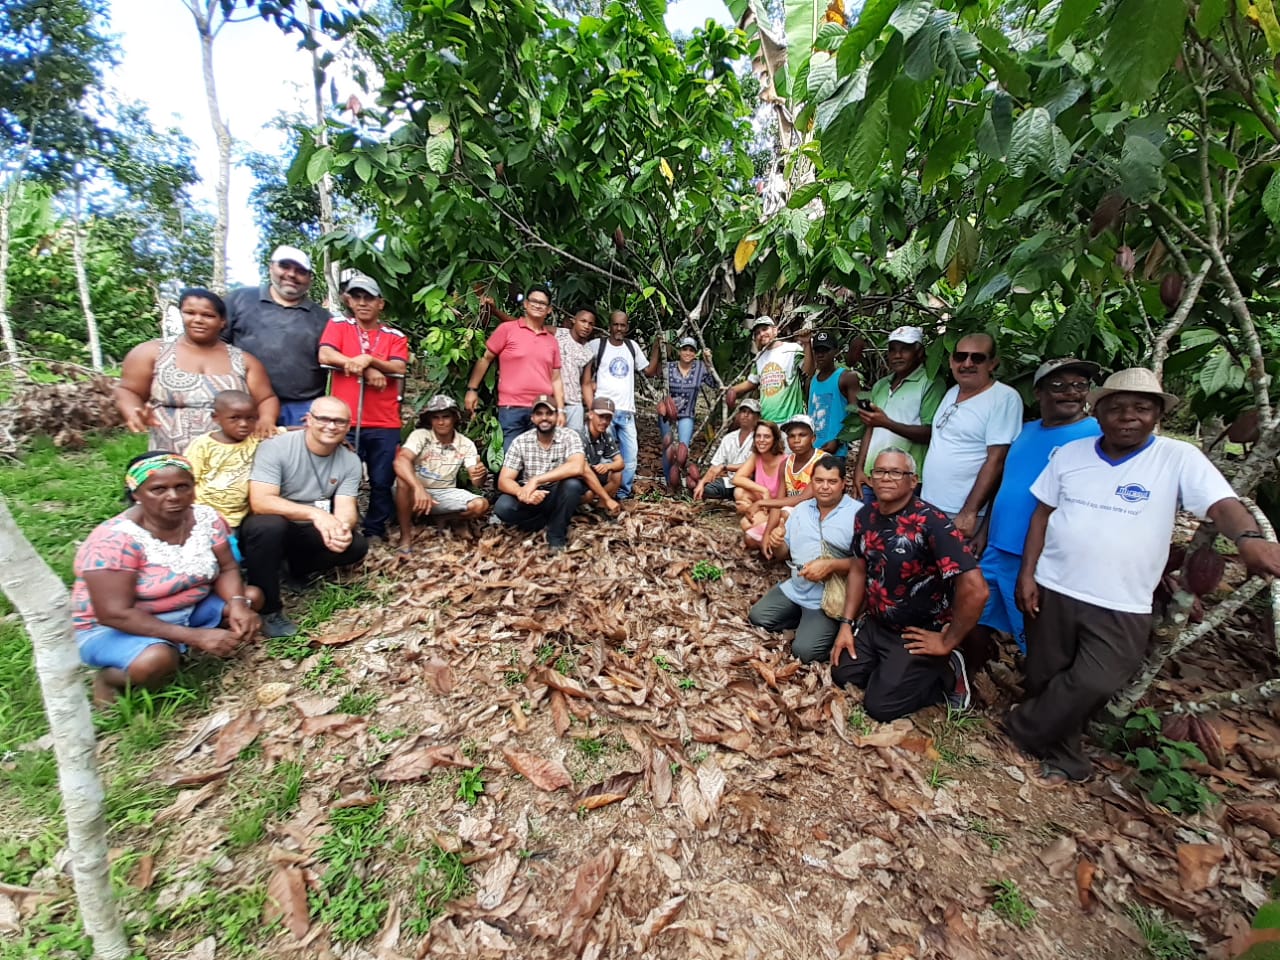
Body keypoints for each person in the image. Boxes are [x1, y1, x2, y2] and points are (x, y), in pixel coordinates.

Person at [1006, 368, 1280, 787]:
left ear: (1157, 416)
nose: (1127, 417)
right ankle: (1066, 757)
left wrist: (1247, 539)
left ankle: (1022, 726)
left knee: (1096, 680)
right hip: (1054, 584)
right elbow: (1042, 514)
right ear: (1097, 413)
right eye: (1115, 408)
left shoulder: (1177, 458)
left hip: (1123, 600)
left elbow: (1221, 503)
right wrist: (1028, 574)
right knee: (1045, 673)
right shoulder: (1071, 454)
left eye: (1141, 408)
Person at [71, 453, 263, 704]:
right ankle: (111, 678)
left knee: (251, 598)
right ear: (136, 494)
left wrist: (237, 605)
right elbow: (114, 614)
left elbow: (227, 568)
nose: (173, 496)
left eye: (182, 486)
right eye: (158, 489)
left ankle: (185, 645)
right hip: (117, 627)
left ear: (193, 489)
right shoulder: (114, 541)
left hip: (187, 608)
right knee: (156, 661)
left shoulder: (206, 519)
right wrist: (195, 637)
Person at [830, 448, 988, 720]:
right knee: (843, 674)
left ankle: (947, 669)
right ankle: (896, 671)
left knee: (880, 707)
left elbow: (977, 589)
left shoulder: (932, 523)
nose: (886, 478)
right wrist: (847, 623)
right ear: (870, 478)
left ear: (913, 481)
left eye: (896, 472)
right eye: (880, 471)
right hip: (877, 624)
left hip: (917, 632)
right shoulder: (865, 516)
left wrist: (948, 640)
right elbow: (858, 567)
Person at [970, 359, 1101, 658]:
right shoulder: (1026, 431)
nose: (1071, 392)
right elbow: (1006, 485)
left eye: (1080, 386)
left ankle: (1042, 693)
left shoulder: (1095, 435)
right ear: (1038, 393)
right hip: (997, 548)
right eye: (1058, 386)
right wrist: (984, 529)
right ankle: (975, 678)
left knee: (1034, 631)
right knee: (974, 613)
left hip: (1041, 557)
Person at [242, 397, 369, 637]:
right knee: (267, 527)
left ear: (348, 426)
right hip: (276, 521)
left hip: (309, 528)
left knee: (354, 544)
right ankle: (269, 609)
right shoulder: (277, 447)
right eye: (324, 419)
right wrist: (316, 513)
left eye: (339, 421)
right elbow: (261, 501)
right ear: (308, 420)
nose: (331, 426)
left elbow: (346, 506)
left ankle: (295, 570)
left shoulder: (350, 461)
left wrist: (341, 527)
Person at [116, 288, 279, 452]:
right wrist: (133, 412)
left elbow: (266, 398)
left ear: (222, 321)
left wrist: (266, 419)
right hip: (169, 453)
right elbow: (128, 390)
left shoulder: (244, 361)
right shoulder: (151, 352)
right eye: (190, 313)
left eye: (208, 315)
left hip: (228, 456)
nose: (198, 320)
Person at [317, 274, 410, 541]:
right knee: (340, 477)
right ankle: (341, 527)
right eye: (357, 297)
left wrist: (369, 360)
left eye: (369, 297)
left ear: (380, 303)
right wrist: (361, 366)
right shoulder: (338, 326)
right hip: (344, 420)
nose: (362, 302)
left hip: (384, 421)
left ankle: (375, 529)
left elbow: (399, 367)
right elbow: (325, 355)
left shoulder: (394, 336)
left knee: (381, 480)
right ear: (348, 300)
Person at [748, 456, 860, 663]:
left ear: (844, 483)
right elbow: (784, 554)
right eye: (819, 481)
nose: (825, 487)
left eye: (832, 481)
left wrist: (831, 565)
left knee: (804, 652)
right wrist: (777, 542)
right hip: (797, 587)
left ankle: (820, 627)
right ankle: (804, 622)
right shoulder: (801, 510)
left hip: (827, 597)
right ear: (811, 482)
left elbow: (868, 565)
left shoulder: (858, 515)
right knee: (758, 617)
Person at [920, 333, 1024, 537]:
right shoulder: (952, 392)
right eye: (961, 357)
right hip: (930, 503)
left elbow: (997, 460)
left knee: (956, 568)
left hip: (960, 513)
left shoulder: (1003, 398)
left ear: (992, 363)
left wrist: (970, 512)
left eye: (977, 358)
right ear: (951, 361)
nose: (967, 363)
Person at [223, 245, 335, 426]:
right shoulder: (239, 300)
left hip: (302, 408)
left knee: (297, 454)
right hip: (245, 403)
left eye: (300, 271)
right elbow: (215, 346)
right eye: (285, 266)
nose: (291, 274)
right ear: (271, 268)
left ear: (309, 279)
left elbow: (338, 358)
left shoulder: (323, 318)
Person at [184, 390, 284, 559]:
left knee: (232, 556)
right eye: (235, 418)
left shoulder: (256, 437)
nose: (244, 424)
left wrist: (324, 434)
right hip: (206, 514)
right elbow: (187, 479)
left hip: (238, 517)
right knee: (207, 555)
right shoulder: (203, 445)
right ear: (216, 418)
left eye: (251, 418)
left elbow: (288, 432)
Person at [465, 284, 566, 452]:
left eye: (542, 303)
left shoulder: (551, 341)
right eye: (533, 301)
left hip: (542, 410)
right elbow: (485, 359)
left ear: (549, 310)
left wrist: (560, 410)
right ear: (525, 304)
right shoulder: (507, 330)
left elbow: (555, 378)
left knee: (538, 463)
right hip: (512, 408)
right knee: (510, 460)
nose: (537, 305)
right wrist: (472, 389)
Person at [851, 326, 946, 502]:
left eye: (905, 350)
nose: (897, 355)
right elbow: (870, 430)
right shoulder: (881, 385)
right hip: (873, 475)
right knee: (866, 527)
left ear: (919, 352)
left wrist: (886, 423)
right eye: (893, 350)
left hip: (905, 477)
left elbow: (931, 433)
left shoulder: (930, 383)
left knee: (899, 528)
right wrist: (860, 469)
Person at [394, 395, 489, 554]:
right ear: (430, 420)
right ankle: (405, 536)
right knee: (403, 481)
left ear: (454, 418)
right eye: (436, 417)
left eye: (446, 417)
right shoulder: (421, 436)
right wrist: (418, 488)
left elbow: (477, 481)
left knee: (480, 505)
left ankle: (445, 518)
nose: (441, 422)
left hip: (442, 493)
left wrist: (480, 474)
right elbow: (400, 461)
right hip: (412, 491)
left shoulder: (465, 444)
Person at [493, 395, 587, 552]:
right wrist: (521, 492)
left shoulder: (569, 436)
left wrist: (536, 480)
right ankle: (540, 522)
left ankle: (556, 534)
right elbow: (504, 480)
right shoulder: (521, 441)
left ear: (557, 416)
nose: (544, 418)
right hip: (530, 495)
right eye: (539, 414)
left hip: (556, 491)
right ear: (533, 418)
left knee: (573, 485)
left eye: (549, 413)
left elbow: (577, 466)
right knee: (503, 507)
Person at [582, 310, 660, 498]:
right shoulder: (596, 345)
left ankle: (622, 494)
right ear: (610, 326)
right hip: (603, 412)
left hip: (626, 412)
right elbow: (580, 363)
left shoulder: (631, 347)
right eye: (615, 324)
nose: (618, 328)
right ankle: (601, 493)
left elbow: (648, 370)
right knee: (604, 457)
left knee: (630, 457)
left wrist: (657, 348)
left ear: (627, 327)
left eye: (622, 325)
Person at [754, 414, 825, 553]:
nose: (796, 440)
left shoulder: (822, 461)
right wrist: (767, 533)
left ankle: (789, 551)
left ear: (813, 438)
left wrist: (762, 503)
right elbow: (780, 501)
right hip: (789, 515)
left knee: (785, 515)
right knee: (751, 538)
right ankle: (778, 545)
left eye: (802, 435)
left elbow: (802, 499)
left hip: (818, 517)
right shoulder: (786, 464)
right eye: (791, 436)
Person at [660, 336, 718, 492]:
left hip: (687, 414)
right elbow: (656, 382)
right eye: (684, 349)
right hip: (667, 415)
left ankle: (679, 481)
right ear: (679, 351)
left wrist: (709, 362)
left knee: (682, 451)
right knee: (668, 448)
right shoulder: (669, 367)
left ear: (695, 353)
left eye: (691, 350)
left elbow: (715, 384)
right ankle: (669, 484)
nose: (687, 352)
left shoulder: (700, 368)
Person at [726, 317, 807, 425]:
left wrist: (808, 344)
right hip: (767, 422)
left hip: (791, 421)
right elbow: (752, 382)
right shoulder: (759, 357)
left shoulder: (792, 349)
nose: (761, 334)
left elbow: (808, 370)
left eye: (765, 329)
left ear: (775, 330)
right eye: (757, 333)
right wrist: (732, 390)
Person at [806, 330, 861, 462]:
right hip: (812, 452)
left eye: (825, 351)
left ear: (835, 352)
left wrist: (838, 441)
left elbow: (857, 415)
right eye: (817, 351)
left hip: (835, 453)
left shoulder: (846, 377)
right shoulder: (811, 381)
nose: (820, 355)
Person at [693, 399, 760, 501]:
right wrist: (701, 483)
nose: (745, 415)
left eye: (750, 412)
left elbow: (752, 466)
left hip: (750, 481)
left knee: (741, 490)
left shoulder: (760, 438)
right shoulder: (729, 438)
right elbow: (715, 464)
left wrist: (725, 467)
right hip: (731, 481)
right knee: (707, 489)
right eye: (743, 411)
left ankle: (741, 497)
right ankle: (731, 497)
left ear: (757, 417)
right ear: (738, 415)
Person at [732, 420, 787, 542]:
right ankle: (751, 511)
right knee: (739, 491)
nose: (761, 440)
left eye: (767, 436)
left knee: (745, 524)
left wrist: (766, 502)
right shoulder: (756, 456)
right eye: (758, 436)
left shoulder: (785, 461)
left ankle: (772, 525)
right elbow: (737, 478)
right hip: (762, 502)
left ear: (775, 439)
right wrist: (763, 490)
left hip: (776, 507)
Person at [578, 396, 623, 515]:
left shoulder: (606, 435)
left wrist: (608, 467)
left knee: (617, 474)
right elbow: (583, 470)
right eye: (601, 417)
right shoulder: (579, 435)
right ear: (591, 414)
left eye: (608, 418)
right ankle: (576, 508)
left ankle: (600, 508)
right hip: (578, 478)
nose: (604, 421)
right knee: (588, 494)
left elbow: (620, 463)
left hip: (593, 472)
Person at [556, 307, 598, 432]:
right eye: (583, 321)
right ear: (574, 320)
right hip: (553, 402)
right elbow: (530, 328)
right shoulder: (558, 334)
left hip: (574, 404)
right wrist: (497, 311)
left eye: (590, 324)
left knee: (575, 445)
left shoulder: (588, 351)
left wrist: (592, 410)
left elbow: (585, 383)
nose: (586, 326)